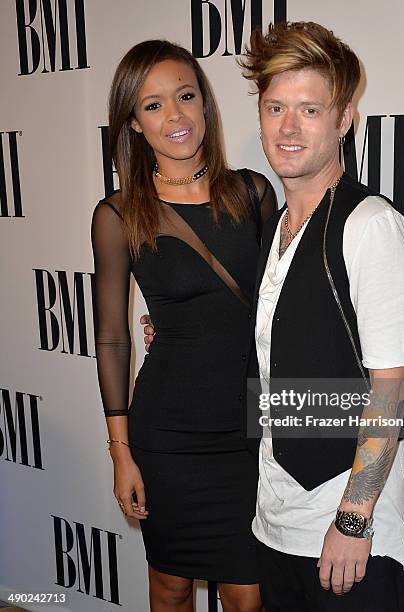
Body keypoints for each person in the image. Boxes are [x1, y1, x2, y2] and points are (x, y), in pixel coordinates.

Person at [147, 21, 404, 611]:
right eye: (275, 108)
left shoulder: (370, 226)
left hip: (347, 535)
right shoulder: (273, 231)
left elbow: (392, 385)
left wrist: (354, 518)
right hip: (273, 525)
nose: (288, 128)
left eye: (310, 110)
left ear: (344, 119)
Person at [91, 39, 276, 612]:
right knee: (170, 589)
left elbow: (278, 305)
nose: (174, 116)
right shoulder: (119, 214)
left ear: (205, 104)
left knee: (249, 595)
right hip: (167, 435)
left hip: (249, 433)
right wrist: (122, 453)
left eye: (185, 96)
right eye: (152, 105)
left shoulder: (253, 193)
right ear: (134, 124)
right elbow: (113, 337)